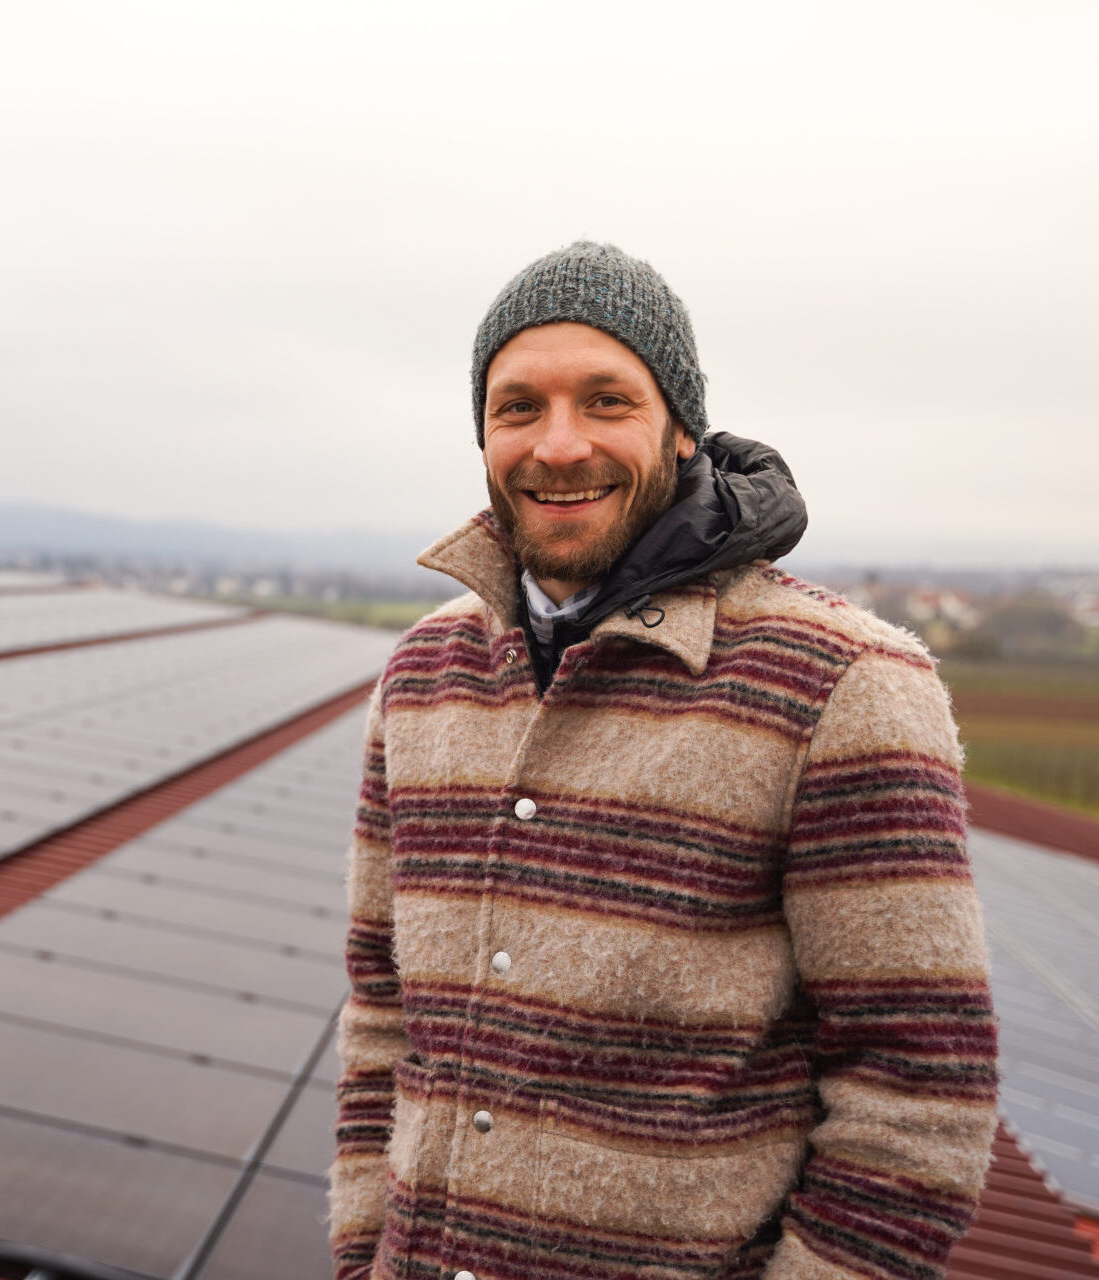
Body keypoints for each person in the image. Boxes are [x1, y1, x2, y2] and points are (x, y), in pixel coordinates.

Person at [328, 242, 998, 1280]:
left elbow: (917, 1100)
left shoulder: (844, 682)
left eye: (606, 401)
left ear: (681, 425)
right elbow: (380, 1012)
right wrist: (361, 1252)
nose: (557, 445)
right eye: (518, 408)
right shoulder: (425, 671)